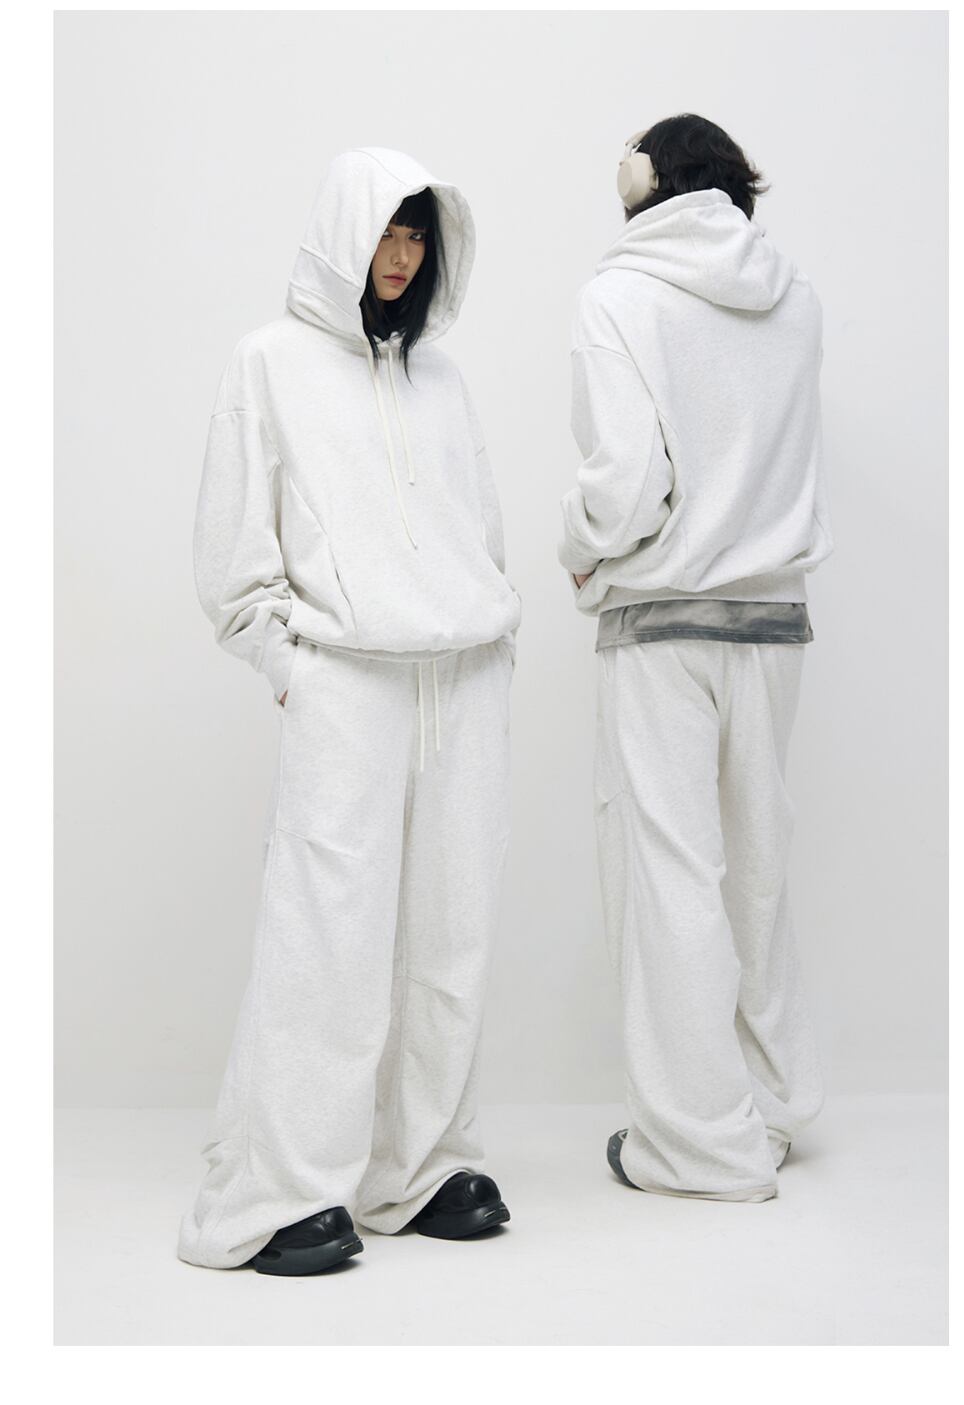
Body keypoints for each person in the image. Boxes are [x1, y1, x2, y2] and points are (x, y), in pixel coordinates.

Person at [179, 148, 520, 1274]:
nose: (401, 255)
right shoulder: (269, 362)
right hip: (347, 680)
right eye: (385, 232)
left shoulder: (443, 381)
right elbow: (233, 551)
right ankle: (282, 1190)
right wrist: (293, 666)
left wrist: (495, 633)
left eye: (417, 236)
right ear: (342, 235)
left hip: (461, 679)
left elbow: (482, 528)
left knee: (450, 932)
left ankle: (418, 1166)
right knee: (325, 938)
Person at [558, 114, 833, 1202]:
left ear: (641, 183)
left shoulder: (618, 297)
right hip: (774, 620)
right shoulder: (795, 297)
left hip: (664, 621)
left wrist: (580, 548)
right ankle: (773, 1108)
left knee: (670, 873)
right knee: (759, 866)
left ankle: (698, 1143)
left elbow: (625, 483)